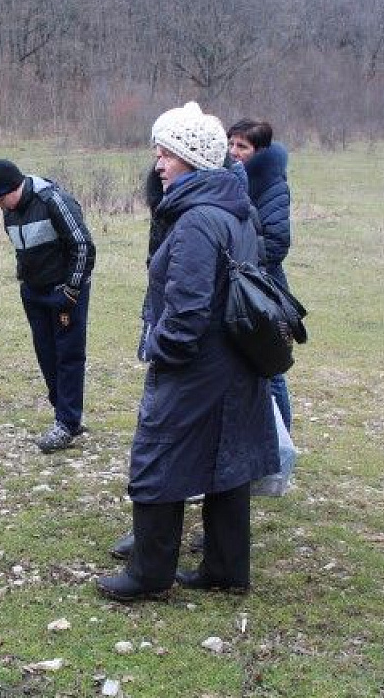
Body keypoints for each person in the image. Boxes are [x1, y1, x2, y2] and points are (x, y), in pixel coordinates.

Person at [97, 102, 278, 602]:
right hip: (235, 359)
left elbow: (187, 312)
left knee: (157, 454)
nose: (158, 162)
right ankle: (224, 568)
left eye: (167, 153)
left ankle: (149, 573)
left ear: (193, 160)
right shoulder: (235, 208)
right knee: (227, 459)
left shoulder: (198, 219)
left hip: (199, 362)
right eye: (158, 151)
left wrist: (160, 350)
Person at [0, 159, 96, 452]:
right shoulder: (9, 211)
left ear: (13, 187)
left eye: (0, 198)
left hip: (65, 293)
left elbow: (82, 245)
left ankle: (67, 424)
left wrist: (71, 291)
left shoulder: (53, 200)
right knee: (47, 355)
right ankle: (65, 412)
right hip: (34, 293)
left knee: (68, 356)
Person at [228, 118, 294, 431]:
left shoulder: (273, 184)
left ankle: (283, 443)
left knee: (271, 368)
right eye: (231, 144)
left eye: (243, 146)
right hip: (238, 286)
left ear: (260, 151)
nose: (234, 151)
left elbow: (278, 242)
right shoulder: (231, 179)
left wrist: (243, 260)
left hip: (263, 289)